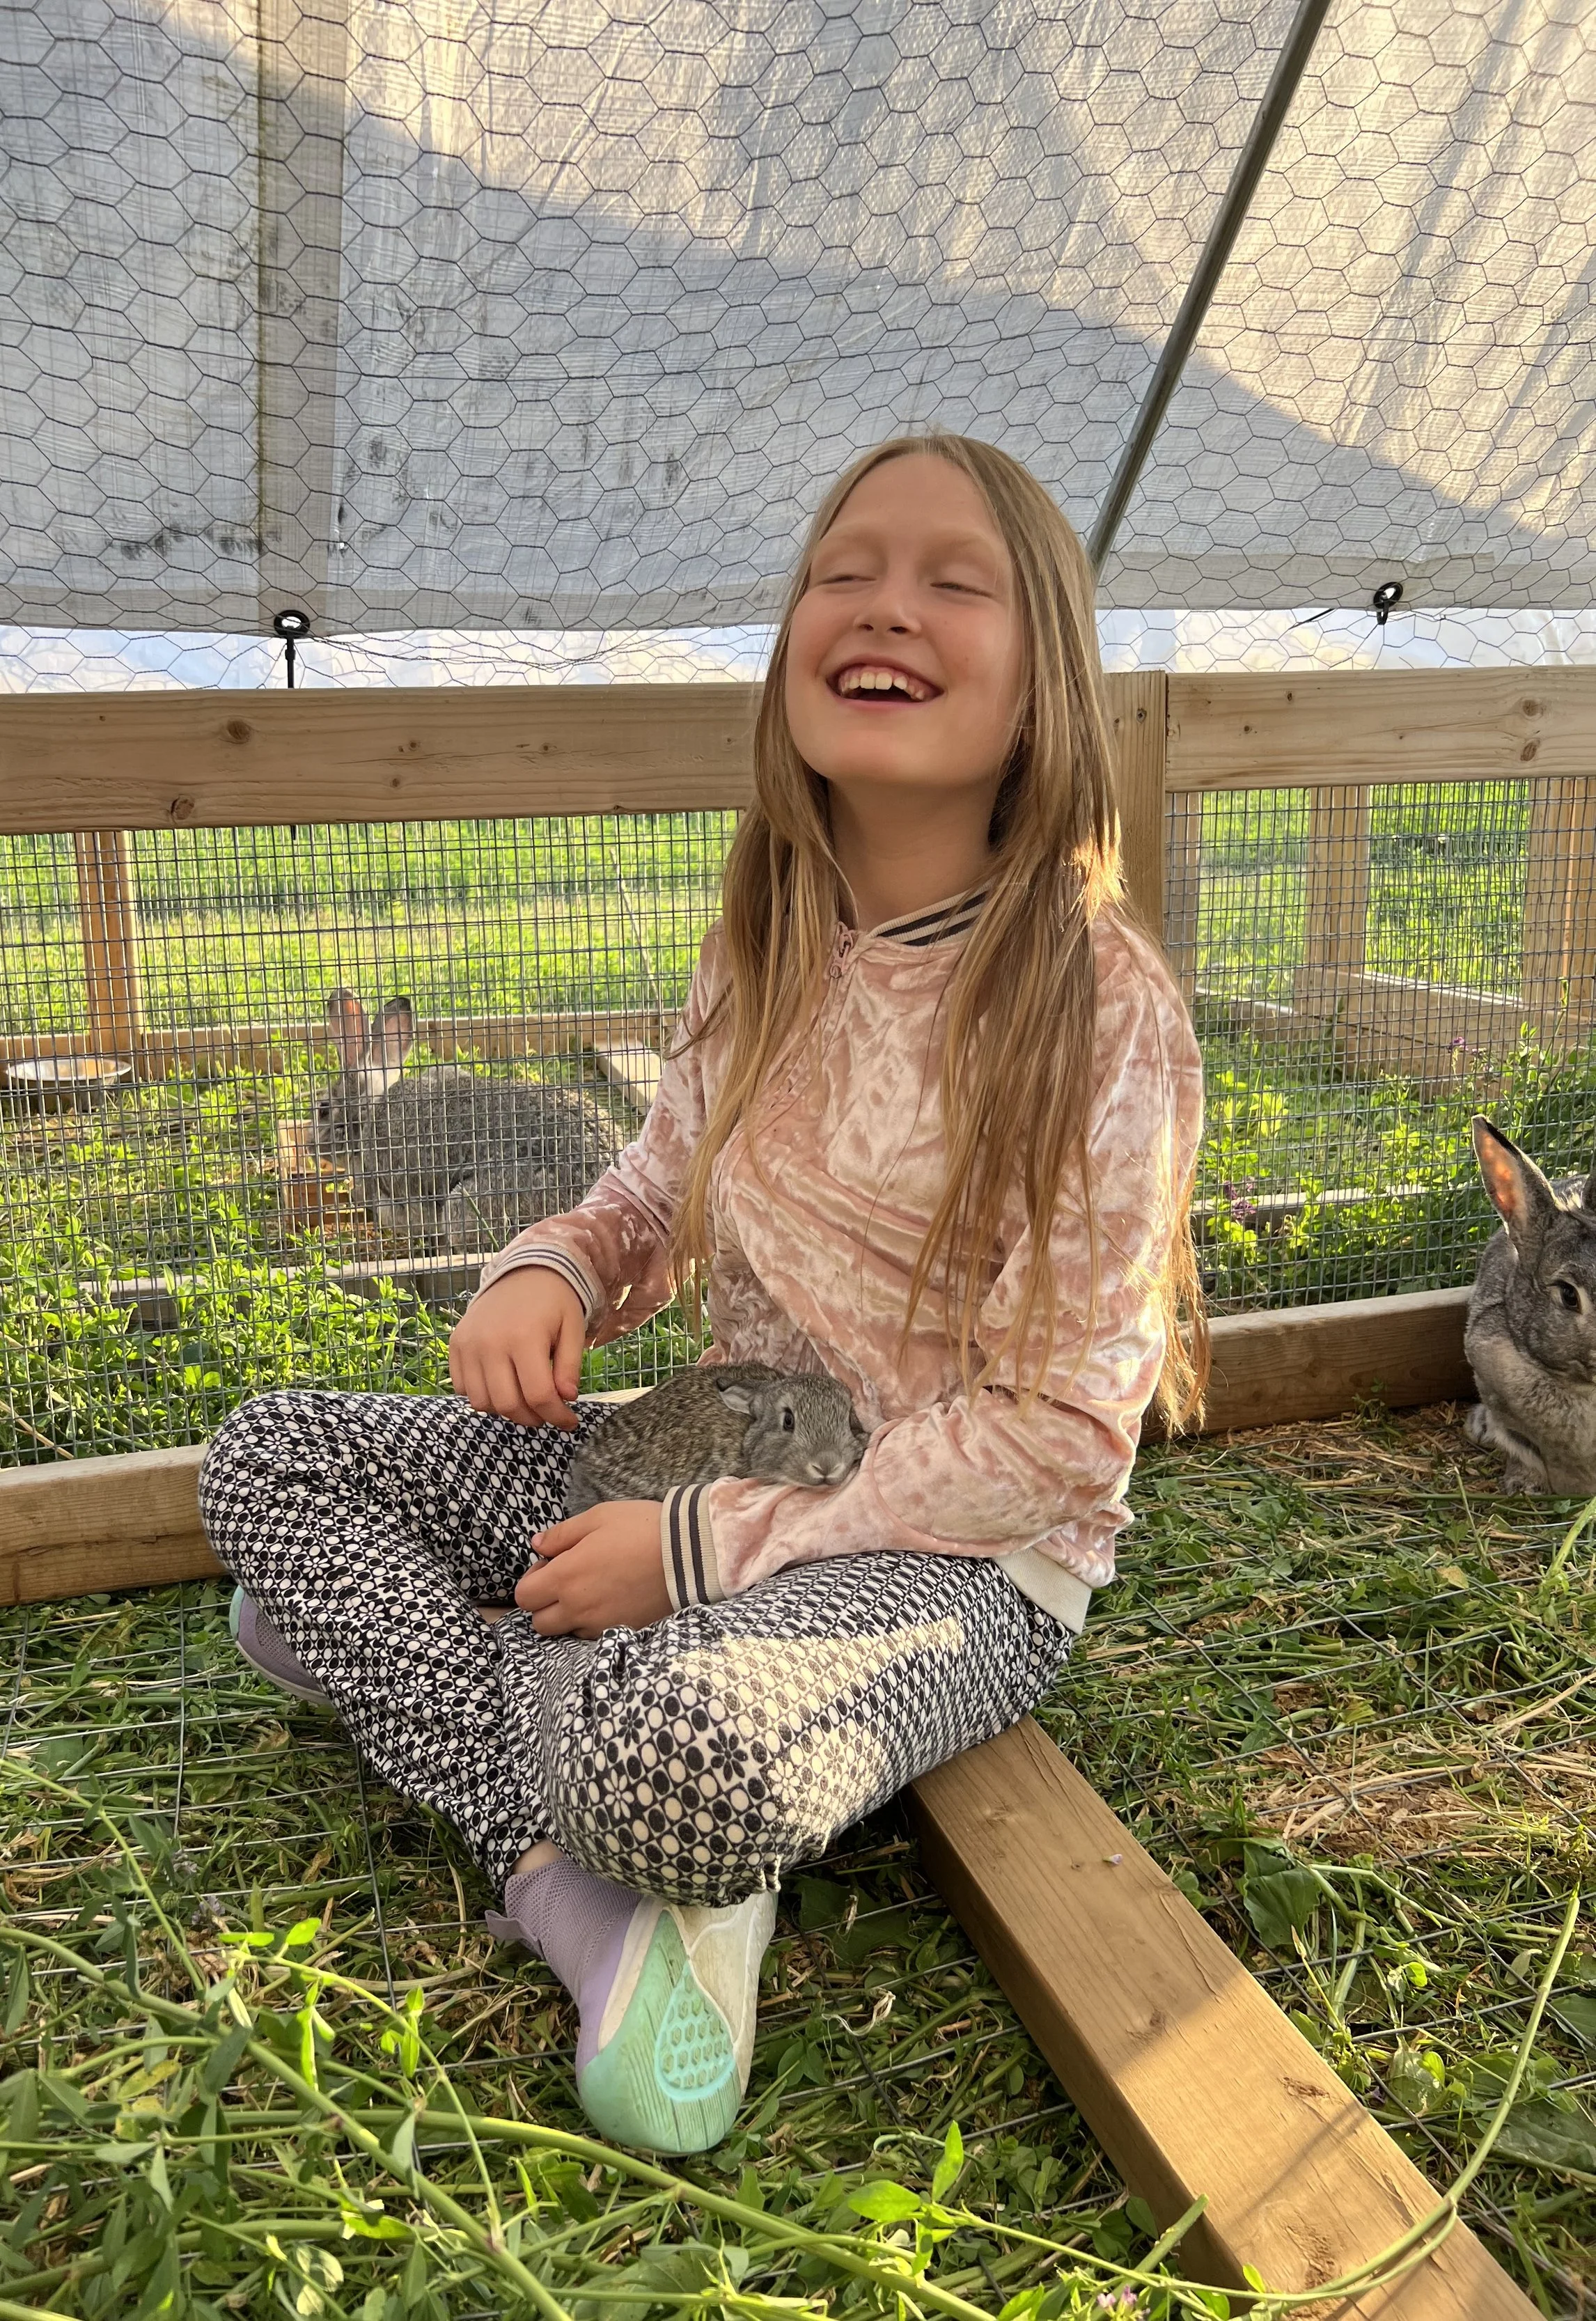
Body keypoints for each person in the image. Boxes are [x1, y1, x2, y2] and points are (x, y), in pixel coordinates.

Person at [199, 432, 1205, 2157]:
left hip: (951, 1560)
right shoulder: (761, 939)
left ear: (1046, 681)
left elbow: (1052, 1436)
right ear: (790, 646)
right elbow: (656, 1188)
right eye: (843, 570)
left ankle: (522, 1760)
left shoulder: (1097, 1009)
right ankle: (587, 1889)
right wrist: (552, 1261)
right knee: (270, 1465)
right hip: (702, 1448)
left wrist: (691, 1559)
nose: (885, 604)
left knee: (646, 1744)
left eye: (953, 580)